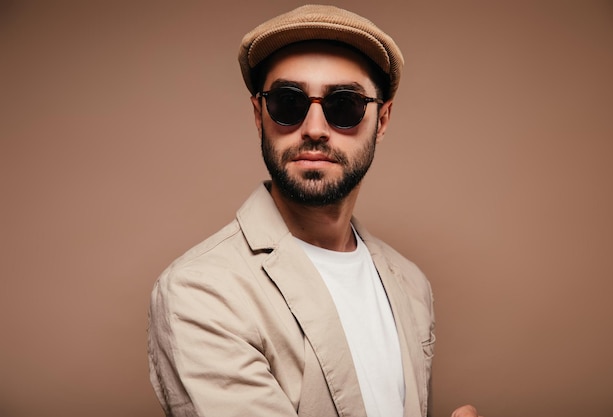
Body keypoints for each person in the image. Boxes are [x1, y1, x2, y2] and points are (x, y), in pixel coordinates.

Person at [148, 5, 481, 417]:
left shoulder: (410, 285)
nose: (315, 128)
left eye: (345, 106)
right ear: (259, 115)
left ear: (382, 119)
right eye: (289, 103)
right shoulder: (200, 292)